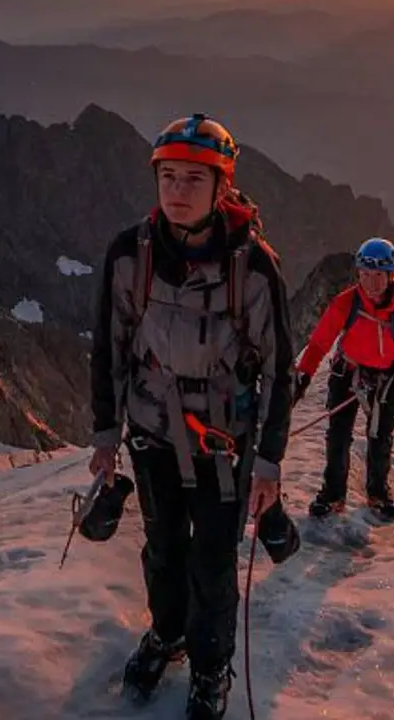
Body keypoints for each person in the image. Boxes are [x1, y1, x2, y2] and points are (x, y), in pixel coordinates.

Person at [88, 113, 295, 720]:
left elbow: (280, 366)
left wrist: (269, 462)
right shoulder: (130, 254)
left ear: (220, 187)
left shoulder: (253, 266)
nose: (177, 192)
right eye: (168, 177)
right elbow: (110, 344)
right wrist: (106, 434)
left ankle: (210, 666)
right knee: (162, 547)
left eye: (192, 180)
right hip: (152, 434)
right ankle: (168, 632)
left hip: (225, 445)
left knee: (211, 559)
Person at [290, 237, 394, 522]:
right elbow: (319, 343)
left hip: (387, 380)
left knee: (379, 436)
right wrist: (303, 375)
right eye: (365, 274)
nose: (370, 283)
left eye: (378, 275)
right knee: (338, 436)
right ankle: (333, 495)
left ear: (391, 274)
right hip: (348, 373)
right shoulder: (347, 302)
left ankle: (378, 494)